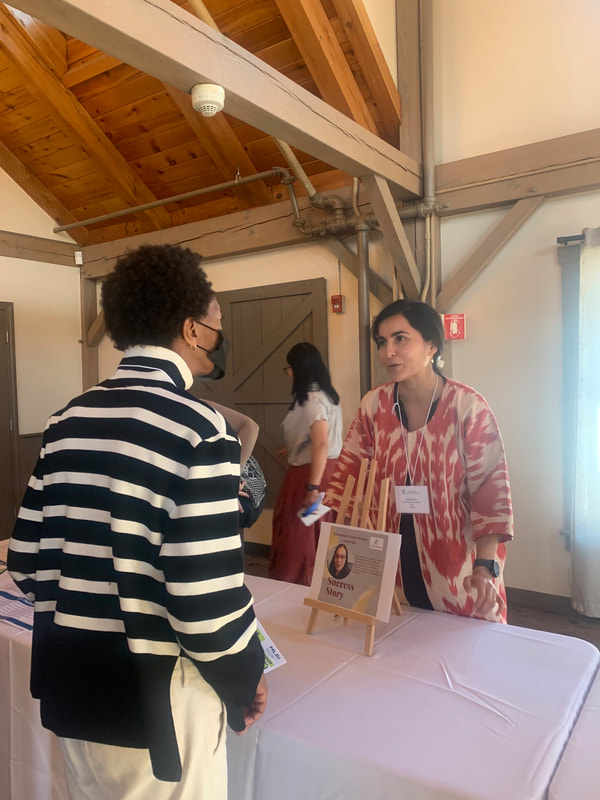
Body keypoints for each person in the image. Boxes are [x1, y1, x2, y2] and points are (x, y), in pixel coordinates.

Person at [7, 243, 267, 799]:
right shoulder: (200, 430)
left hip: (71, 686)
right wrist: (245, 673)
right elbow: (205, 605)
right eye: (216, 320)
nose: (218, 334)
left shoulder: (66, 420)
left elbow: (24, 564)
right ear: (192, 329)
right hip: (156, 703)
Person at [325, 299, 513, 623]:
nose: (388, 352)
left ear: (432, 346)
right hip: (391, 567)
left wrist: (485, 568)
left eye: (400, 338)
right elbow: (350, 480)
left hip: (456, 570)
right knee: (401, 653)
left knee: (461, 657)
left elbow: (490, 495)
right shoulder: (374, 405)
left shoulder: (467, 408)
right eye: (382, 342)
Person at [269, 342, 343, 586]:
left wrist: (312, 488)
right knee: (320, 532)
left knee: (298, 534)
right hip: (327, 471)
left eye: (288, 367)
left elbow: (321, 442)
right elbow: (320, 440)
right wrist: (294, 447)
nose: (288, 373)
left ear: (297, 369)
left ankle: (294, 586)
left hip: (311, 475)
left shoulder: (311, 400)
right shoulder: (327, 396)